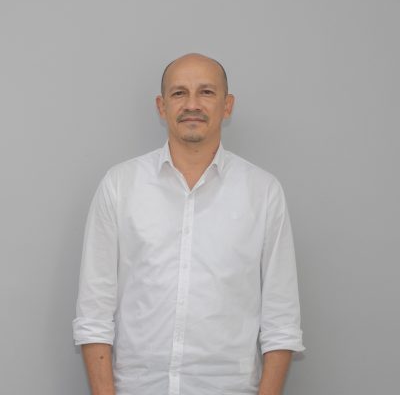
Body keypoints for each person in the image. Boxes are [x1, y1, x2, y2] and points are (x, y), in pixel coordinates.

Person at [73, 53, 305, 395]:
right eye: (179, 93)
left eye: (206, 92)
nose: (192, 104)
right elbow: (94, 314)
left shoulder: (263, 192)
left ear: (227, 105)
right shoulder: (120, 186)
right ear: (162, 106)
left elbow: (281, 321)